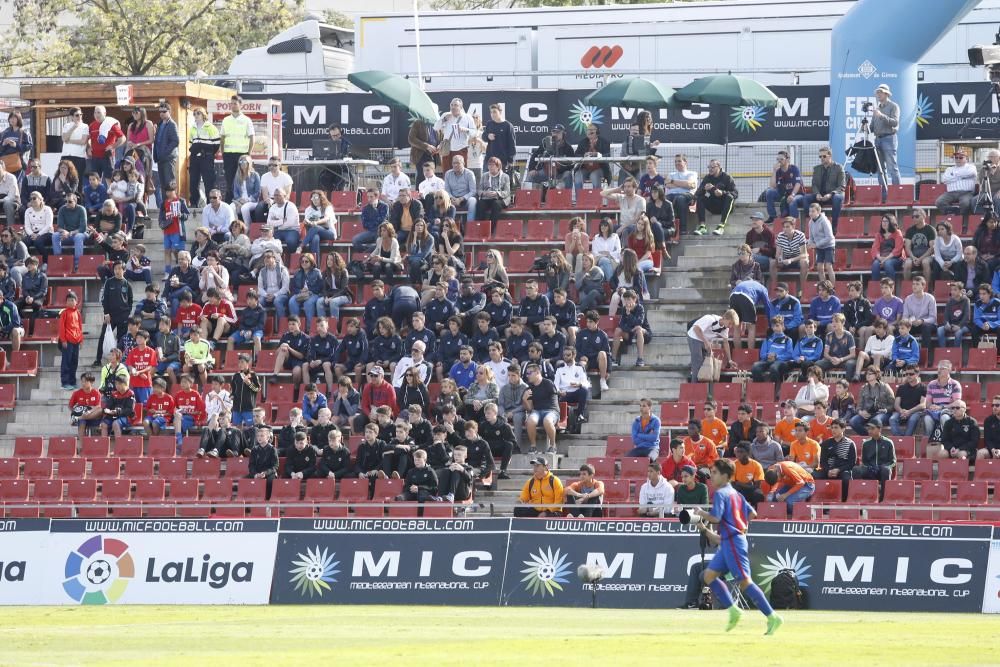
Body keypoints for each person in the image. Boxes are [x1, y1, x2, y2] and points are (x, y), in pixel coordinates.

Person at [694, 459, 783, 635]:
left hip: (733, 542)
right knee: (709, 575)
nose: (711, 476)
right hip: (730, 541)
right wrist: (741, 525)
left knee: (744, 582)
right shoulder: (736, 494)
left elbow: (716, 518)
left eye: (715, 473)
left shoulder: (721, 494)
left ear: (725, 476)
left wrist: (701, 513)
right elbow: (753, 513)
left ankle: (773, 617)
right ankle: (734, 611)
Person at [220, 96, 255, 204]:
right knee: (230, 180)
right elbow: (222, 137)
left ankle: (243, 201)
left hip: (242, 155)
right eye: (232, 103)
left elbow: (252, 137)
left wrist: (248, 154)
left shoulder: (246, 120)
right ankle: (230, 203)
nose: (233, 105)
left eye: (235, 103)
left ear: (241, 105)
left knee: (242, 179)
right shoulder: (226, 120)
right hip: (229, 155)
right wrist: (223, 152)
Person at [686, 309, 738, 382]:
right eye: (730, 323)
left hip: (704, 339)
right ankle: (695, 387)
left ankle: (703, 387)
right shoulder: (709, 319)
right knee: (697, 363)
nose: (730, 326)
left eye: (732, 325)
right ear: (725, 318)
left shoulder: (725, 329)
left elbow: (726, 343)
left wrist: (730, 360)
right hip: (694, 336)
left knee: (705, 366)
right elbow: (696, 329)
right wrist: (706, 342)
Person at [870, 83, 901, 198]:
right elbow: (872, 126)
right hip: (877, 140)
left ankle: (897, 195)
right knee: (880, 169)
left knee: (892, 167)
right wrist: (866, 128)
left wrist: (881, 115)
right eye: (877, 92)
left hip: (889, 138)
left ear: (886, 94)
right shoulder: (876, 109)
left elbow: (895, 122)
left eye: (880, 92)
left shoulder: (894, 106)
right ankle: (884, 196)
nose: (878, 94)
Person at [693, 159, 737, 237]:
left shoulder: (727, 177)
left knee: (729, 197)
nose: (710, 169)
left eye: (712, 167)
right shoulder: (707, 177)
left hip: (725, 206)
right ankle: (702, 226)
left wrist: (722, 193)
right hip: (714, 206)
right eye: (709, 167)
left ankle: (721, 226)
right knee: (701, 198)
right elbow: (698, 193)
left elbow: (735, 193)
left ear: (719, 167)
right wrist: (704, 189)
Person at [523, 362, 559, 455]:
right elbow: (530, 409)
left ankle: (553, 446)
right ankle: (533, 447)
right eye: (526, 373)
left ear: (538, 372)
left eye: (529, 373)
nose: (527, 376)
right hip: (537, 411)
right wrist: (525, 400)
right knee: (530, 421)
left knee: (547, 420)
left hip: (551, 411)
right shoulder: (529, 388)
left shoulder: (548, 383)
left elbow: (555, 404)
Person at [853, 421, 895, 499]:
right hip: (870, 470)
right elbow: (864, 461)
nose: (870, 431)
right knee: (856, 470)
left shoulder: (888, 442)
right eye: (868, 429)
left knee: (886, 470)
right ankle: (859, 496)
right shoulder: (866, 443)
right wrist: (869, 467)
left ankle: (883, 498)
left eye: (872, 429)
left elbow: (893, 461)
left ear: (879, 429)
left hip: (882, 470)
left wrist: (882, 467)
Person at [434, 98, 476, 172]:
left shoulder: (467, 117)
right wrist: (444, 120)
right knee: (447, 172)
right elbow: (436, 128)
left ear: (461, 107)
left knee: (461, 172)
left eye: (456, 105)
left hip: (461, 149)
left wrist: (465, 130)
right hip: (447, 150)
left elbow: (474, 133)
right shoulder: (446, 115)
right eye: (451, 105)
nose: (453, 107)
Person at [850, 367, 895, 435]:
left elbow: (892, 404)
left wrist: (885, 410)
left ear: (876, 375)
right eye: (866, 374)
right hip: (867, 413)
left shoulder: (885, 386)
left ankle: (874, 438)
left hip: (882, 413)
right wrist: (861, 412)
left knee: (875, 421)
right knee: (853, 421)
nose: (867, 375)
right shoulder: (863, 388)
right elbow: (859, 406)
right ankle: (869, 436)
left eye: (870, 374)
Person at [751, 314, 793, 383]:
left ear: (782, 326)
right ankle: (762, 387)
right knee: (755, 367)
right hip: (767, 361)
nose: (775, 328)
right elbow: (762, 354)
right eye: (773, 326)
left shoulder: (788, 340)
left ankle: (776, 389)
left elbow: (789, 355)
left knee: (773, 368)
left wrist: (776, 356)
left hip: (781, 362)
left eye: (777, 326)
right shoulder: (768, 339)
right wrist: (768, 356)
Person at [86, 106, 124, 182]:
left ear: (105, 113)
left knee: (109, 180)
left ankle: (110, 194)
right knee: (95, 180)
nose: (97, 114)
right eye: (95, 112)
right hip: (95, 157)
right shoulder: (91, 125)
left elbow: (122, 138)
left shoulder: (112, 124)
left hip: (107, 157)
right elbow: (87, 139)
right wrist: (88, 148)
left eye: (99, 112)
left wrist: (113, 146)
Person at [152, 102, 179, 204]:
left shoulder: (172, 124)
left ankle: (172, 203)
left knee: (169, 182)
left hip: (168, 159)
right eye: (160, 112)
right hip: (160, 159)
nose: (162, 114)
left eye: (164, 111)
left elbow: (175, 141)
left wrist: (165, 153)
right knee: (163, 183)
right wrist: (157, 155)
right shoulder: (159, 124)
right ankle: (165, 205)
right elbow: (157, 141)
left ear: (169, 112)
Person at [764, 150, 802, 224]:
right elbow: (772, 186)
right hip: (783, 193)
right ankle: (772, 216)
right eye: (777, 159)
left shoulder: (794, 169)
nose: (779, 161)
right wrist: (774, 171)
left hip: (796, 194)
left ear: (787, 160)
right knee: (769, 192)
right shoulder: (778, 171)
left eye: (781, 159)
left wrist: (792, 195)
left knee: (792, 201)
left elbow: (798, 184)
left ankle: (794, 223)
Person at [935, 150, 977, 214]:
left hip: (966, 193)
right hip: (951, 193)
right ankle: (952, 212)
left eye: (961, 158)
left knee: (965, 203)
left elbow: (971, 173)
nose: (958, 159)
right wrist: (962, 177)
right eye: (956, 158)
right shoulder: (949, 169)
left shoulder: (971, 167)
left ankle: (960, 219)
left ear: (966, 159)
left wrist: (953, 175)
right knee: (939, 202)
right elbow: (945, 179)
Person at [665, 154, 697, 235]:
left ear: (685, 162)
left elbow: (690, 185)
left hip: (687, 195)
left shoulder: (692, 173)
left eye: (679, 161)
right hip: (671, 195)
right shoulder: (671, 174)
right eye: (675, 161)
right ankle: (666, 228)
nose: (677, 163)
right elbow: (667, 185)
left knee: (680, 199)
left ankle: (683, 229)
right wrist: (683, 184)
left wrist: (672, 182)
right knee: (663, 200)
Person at [775, 217, 809, 292]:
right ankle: (774, 287)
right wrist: (780, 259)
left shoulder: (800, 235)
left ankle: (802, 288)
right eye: (783, 227)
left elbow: (804, 254)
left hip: (797, 259)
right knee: (772, 262)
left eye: (787, 227)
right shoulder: (780, 236)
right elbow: (777, 254)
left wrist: (791, 260)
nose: (785, 229)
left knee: (805, 262)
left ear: (793, 226)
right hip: (785, 259)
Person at [572, 124, 611, 190]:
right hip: (585, 168)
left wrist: (597, 155)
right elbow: (576, 155)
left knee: (594, 175)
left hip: (600, 168)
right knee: (578, 175)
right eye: (588, 130)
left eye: (592, 130)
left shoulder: (604, 142)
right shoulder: (582, 142)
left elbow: (608, 156)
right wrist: (583, 156)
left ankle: (596, 199)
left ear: (597, 132)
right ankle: (579, 199)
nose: (589, 132)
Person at [478, 157, 511, 232]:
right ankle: (480, 227)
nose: (490, 167)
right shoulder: (484, 176)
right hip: (487, 198)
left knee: (496, 204)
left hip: (500, 199)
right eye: (489, 165)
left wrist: (497, 193)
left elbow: (507, 192)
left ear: (498, 166)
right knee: (480, 204)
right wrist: (485, 193)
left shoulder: (505, 176)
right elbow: (479, 190)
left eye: (493, 165)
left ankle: (490, 229)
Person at [806, 202, 836, 284]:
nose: (810, 213)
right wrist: (809, 243)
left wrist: (816, 244)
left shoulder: (825, 221)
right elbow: (811, 237)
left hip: (828, 246)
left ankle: (832, 287)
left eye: (813, 211)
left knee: (828, 266)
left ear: (818, 212)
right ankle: (823, 287)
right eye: (810, 211)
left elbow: (829, 237)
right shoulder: (810, 222)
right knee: (819, 267)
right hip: (819, 247)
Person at [903, 207, 936, 281]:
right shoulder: (910, 230)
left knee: (925, 262)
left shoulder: (930, 230)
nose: (914, 218)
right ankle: (907, 286)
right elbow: (907, 248)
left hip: (927, 256)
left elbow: (932, 248)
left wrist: (920, 259)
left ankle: (927, 286)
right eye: (913, 217)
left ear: (924, 216)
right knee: (907, 264)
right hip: (913, 256)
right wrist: (913, 257)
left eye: (917, 216)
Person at [730, 442, 766, 507]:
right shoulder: (734, 465)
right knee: (732, 493)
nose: (738, 454)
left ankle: (756, 514)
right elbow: (733, 484)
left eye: (741, 452)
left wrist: (739, 483)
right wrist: (748, 485)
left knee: (759, 495)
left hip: (752, 491)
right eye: (737, 452)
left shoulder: (757, 465)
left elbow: (757, 486)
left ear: (748, 453)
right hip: (740, 490)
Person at [444, 155, 477, 223]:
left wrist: (461, 198)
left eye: (458, 163)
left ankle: (470, 225)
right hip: (452, 198)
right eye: (454, 163)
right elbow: (447, 190)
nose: (455, 165)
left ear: (463, 163)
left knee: (473, 201)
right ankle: (448, 225)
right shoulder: (448, 174)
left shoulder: (469, 174)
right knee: (443, 200)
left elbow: (473, 191)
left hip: (465, 198)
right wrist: (452, 198)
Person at [938, 281, 971, 348]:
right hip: (952, 325)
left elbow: (967, 317)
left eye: (955, 290)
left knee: (958, 332)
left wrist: (959, 326)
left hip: (963, 325)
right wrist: (946, 324)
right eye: (952, 290)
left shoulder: (966, 300)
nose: (952, 292)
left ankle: (956, 352)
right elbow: (946, 316)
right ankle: (943, 351)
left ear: (961, 291)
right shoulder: (949, 301)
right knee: (939, 330)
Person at [972, 283, 1000, 350]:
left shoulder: (998, 303)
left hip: (994, 325)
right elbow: (976, 319)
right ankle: (977, 352)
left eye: (984, 294)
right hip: (983, 326)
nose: (981, 296)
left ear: (989, 294)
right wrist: (982, 325)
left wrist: (989, 324)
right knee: (974, 330)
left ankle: (998, 354)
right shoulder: (978, 304)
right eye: (980, 294)